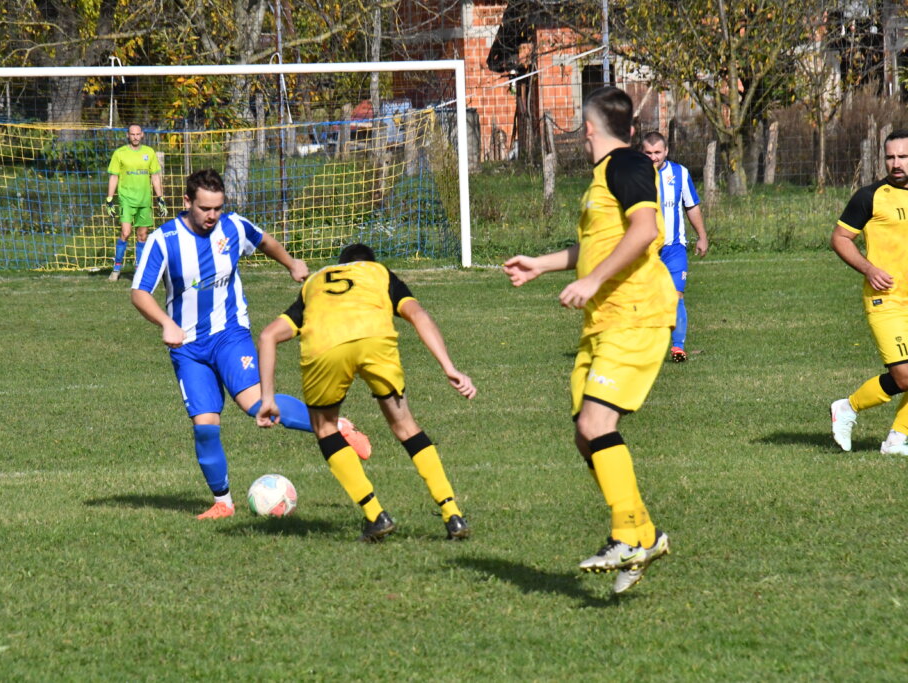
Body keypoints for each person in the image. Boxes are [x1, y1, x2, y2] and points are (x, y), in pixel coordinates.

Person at [502, 86, 674, 594]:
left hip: (635, 314)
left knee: (597, 424)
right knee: (586, 433)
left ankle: (625, 536)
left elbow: (643, 231)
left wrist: (595, 280)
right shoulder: (604, 177)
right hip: (604, 321)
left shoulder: (626, 164)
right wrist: (542, 264)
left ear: (589, 128)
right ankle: (645, 535)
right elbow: (600, 244)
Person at [130, 169, 371, 519]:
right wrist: (166, 323)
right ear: (187, 202)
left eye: (217, 208)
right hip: (188, 348)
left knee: (257, 404)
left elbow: (263, 240)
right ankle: (223, 503)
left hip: (229, 334)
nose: (212, 215)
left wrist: (291, 263)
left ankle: (339, 427)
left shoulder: (233, 226)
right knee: (205, 427)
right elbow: (139, 292)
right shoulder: (163, 240)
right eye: (204, 208)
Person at [255, 243, 476, 542]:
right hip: (375, 340)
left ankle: (376, 515)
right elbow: (418, 315)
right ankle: (453, 514)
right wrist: (449, 367)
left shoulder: (315, 282)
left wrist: (268, 398)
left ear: (341, 264)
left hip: (326, 346)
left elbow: (268, 335)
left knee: (325, 427)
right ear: (368, 262)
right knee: (405, 426)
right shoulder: (379, 273)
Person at [829, 129, 908, 457]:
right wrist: (869, 269)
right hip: (886, 300)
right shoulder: (870, 196)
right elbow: (840, 238)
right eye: (890, 157)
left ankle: (897, 440)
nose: (896, 163)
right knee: (904, 377)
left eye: (903, 156)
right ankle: (848, 407)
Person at [640, 131, 709, 363]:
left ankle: (678, 347)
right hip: (644, 250)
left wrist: (702, 236)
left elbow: (692, 206)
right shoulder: (635, 176)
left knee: (676, 295)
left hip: (674, 248)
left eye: (657, 152)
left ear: (666, 151)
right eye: (648, 153)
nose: (653, 157)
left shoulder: (680, 173)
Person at [107, 124, 168, 282]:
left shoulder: (149, 152)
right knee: (125, 233)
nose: (135, 137)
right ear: (128, 135)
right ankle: (116, 268)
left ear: (142, 135)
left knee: (142, 236)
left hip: (144, 200)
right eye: (132, 134)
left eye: (137, 134)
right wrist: (109, 199)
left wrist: (160, 198)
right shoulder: (120, 153)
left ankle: (139, 269)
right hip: (126, 199)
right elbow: (114, 176)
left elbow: (155, 176)